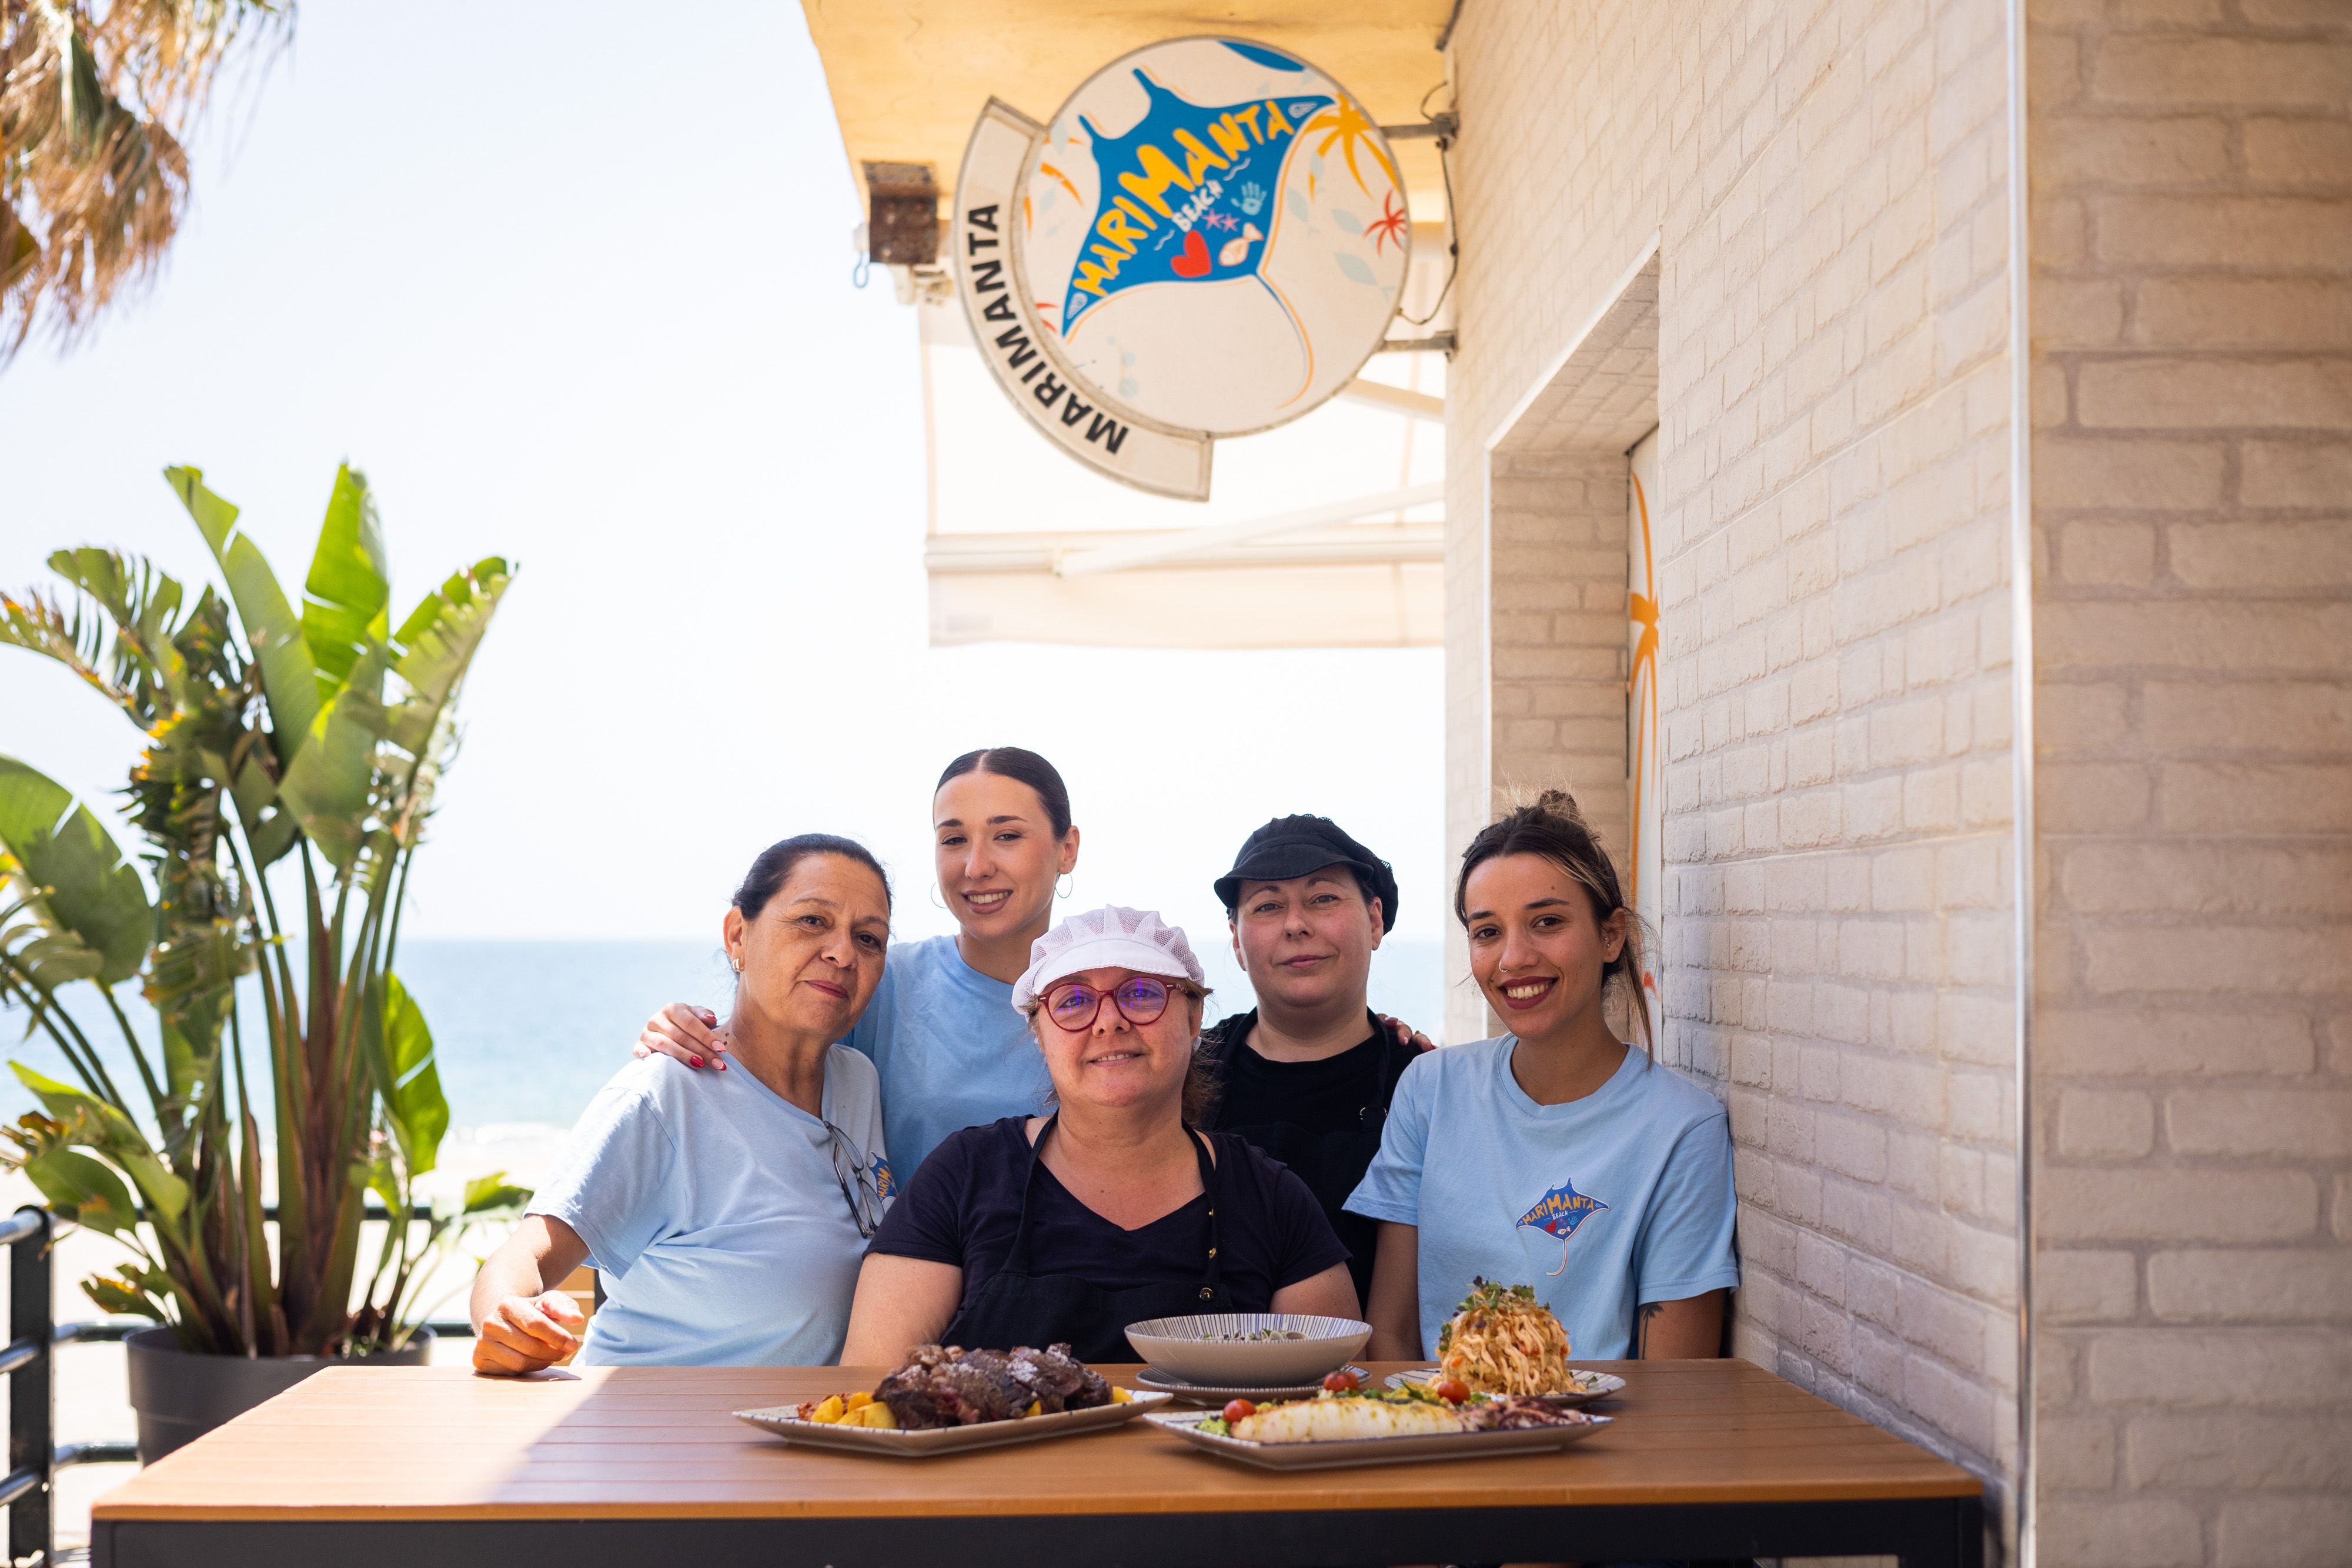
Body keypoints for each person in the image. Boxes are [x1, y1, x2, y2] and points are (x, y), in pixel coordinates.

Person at [841, 906, 1358, 1366]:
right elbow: (869, 1394)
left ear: (1195, 1015)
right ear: (1039, 1032)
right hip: (994, 1477)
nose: (1109, 1022)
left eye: (1141, 993)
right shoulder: (963, 1175)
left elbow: (1336, 1403)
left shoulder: (1271, 1198)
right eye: (1072, 1002)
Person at [469, 835, 894, 1372]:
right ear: (739, 935)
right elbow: (524, 1256)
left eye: (869, 938)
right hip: (661, 1437)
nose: (842, 952)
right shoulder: (665, 1095)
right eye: (812, 920)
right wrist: (506, 1324)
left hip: (798, 1436)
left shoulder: (858, 1082)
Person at [1349, 791, 1738, 1363]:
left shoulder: (1682, 1128)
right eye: (1487, 932)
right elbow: (1391, 1340)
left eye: (1547, 922)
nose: (1513, 958)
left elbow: (1678, 1390)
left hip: (1597, 1447)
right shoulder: (1429, 1091)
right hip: (1437, 1438)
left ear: (1611, 936)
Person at [635, 747, 1078, 1174]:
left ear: (1067, 849)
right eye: (954, 839)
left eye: (1007, 835)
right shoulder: (875, 979)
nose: (976, 866)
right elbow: (757, 1073)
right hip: (888, 1250)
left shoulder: (1110, 1000)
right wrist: (686, 1031)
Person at [1197, 814, 1429, 1308]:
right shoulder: (1187, 1075)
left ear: (1374, 920)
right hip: (1207, 1373)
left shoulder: (1425, 1083)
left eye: (1323, 898)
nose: (1296, 924)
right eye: (1268, 905)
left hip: (1375, 1379)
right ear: (1237, 940)